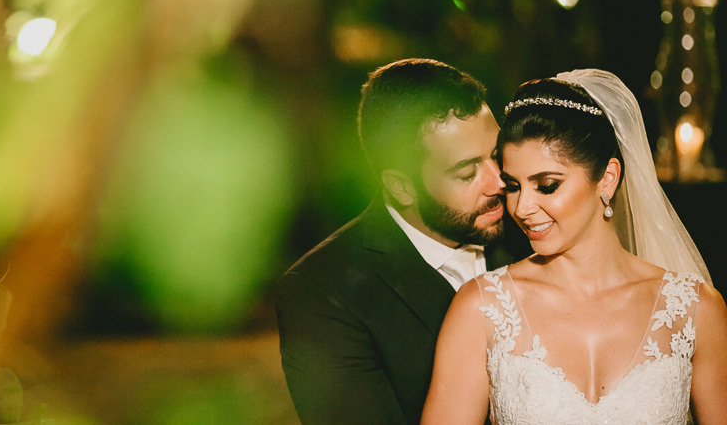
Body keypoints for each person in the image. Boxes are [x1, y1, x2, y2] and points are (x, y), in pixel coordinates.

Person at [422, 69, 727, 424]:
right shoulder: (481, 309)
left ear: (607, 179)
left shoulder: (696, 310)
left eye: (547, 185)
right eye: (513, 185)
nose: (522, 208)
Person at [275, 58, 526, 424]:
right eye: (467, 172)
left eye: (495, 155)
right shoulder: (321, 293)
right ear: (401, 186)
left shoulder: (532, 234)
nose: (498, 182)